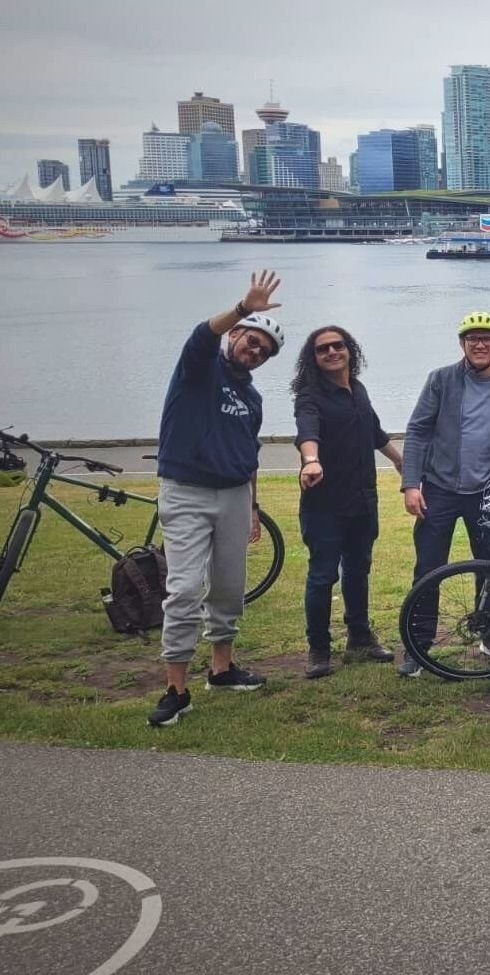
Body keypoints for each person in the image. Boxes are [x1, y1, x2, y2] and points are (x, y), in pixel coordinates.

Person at [148, 271, 285, 727]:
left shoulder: (252, 398)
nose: (256, 351)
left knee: (228, 588)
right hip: (186, 491)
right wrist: (244, 308)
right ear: (236, 335)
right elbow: (202, 334)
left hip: (233, 496)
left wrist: (253, 506)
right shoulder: (199, 369)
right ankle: (175, 688)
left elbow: (250, 456)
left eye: (264, 351)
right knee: (185, 588)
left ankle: (222, 668)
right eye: (251, 341)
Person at [397, 310, 490, 677]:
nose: (480, 344)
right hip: (439, 488)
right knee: (428, 568)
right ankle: (418, 643)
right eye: (472, 339)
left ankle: (489, 632)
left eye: (487, 339)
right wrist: (410, 484)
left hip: (487, 494)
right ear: (462, 344)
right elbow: (418, 431)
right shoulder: (441, 380)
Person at [292, 325, 403, 679]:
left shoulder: (359, 390)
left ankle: (359, 636)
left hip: (362, 499)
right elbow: (306, 431)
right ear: (314, 358)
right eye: (322, 349)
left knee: (358, 570)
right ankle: (319, 649)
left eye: (338, 346)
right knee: (323, 576)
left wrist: (400, 461)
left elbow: (375, 432)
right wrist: (311, 460)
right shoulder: (310, 396)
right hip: (324, 504)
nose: (331, 352)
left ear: (350, 350)